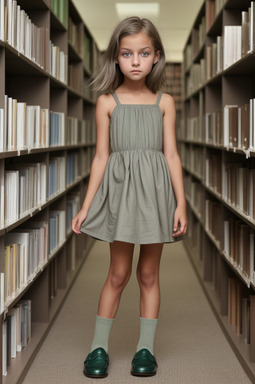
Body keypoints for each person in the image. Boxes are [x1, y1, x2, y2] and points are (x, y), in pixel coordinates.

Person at [72, 16, 187, 378]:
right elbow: (102, 156)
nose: (135, 61)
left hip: (156, 196)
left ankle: (144, 351)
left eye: (143, 53)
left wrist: (181, 203)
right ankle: (98, 349)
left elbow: (171, 154)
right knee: (118, 273)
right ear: (116, 58)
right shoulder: (107, 102)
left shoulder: (165, 102)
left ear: (156, 57)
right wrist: (87, 206)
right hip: (121, 197)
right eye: (127, 53)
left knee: (149, 274)